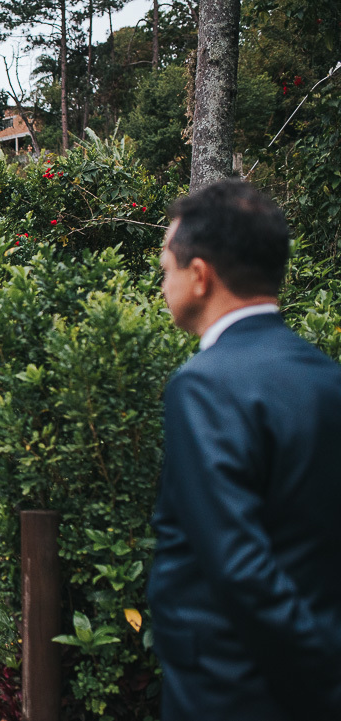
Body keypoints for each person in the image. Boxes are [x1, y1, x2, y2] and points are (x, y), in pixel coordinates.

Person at [148, 179, 341, 720]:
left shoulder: (205, 385)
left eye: (167, 267)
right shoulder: (328, 379)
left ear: (201, 275)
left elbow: (239, 565)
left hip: (232, 685)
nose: (164, 281)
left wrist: (323, 675)